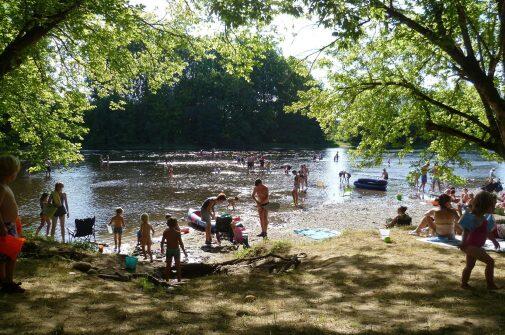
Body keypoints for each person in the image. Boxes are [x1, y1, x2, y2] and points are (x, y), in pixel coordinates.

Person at [459, 191, 500, 290]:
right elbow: (466, 230)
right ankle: (490, 284)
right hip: (471, 246)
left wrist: (494, 241)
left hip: (474, 246)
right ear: (485, 205)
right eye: (492, 206)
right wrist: (463, 243)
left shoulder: (484, 218)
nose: (494, 208)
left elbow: (487, 232)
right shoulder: (475, 218)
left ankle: (464, 284)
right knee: (490, 262)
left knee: (470, 266)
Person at [0, 155, 24, 293]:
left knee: (5, 255)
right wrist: (2, 226)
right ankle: (7, 282)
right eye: (16, 171)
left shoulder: (5, 186)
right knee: (9, 255)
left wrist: (17, 222)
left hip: (11, 224)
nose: (16, 174)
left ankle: (4, 281)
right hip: (5, 226)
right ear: (9, 172)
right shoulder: (1, 188)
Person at [161, 217, 188, 282]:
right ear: (176, 224)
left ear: (167, 224)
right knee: (178, 265)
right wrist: (184, 252)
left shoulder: (165, 232)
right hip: (176, 250)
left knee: (168, 266)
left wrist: (162, 248)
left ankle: (167, 280)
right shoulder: (177, 233)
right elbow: (181, 243)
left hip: (169, 250)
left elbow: (162, 242)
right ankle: (179, 280)